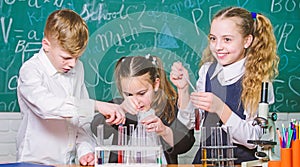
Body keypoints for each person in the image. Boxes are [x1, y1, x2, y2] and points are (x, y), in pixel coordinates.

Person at [170, 6, 279, 164]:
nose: (218, 46)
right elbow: (190, 123)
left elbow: (253, 138)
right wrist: (183, 90)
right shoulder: (207, 71)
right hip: (206, 160)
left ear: (247, 41)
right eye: (213, 38)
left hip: (240, 163)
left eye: (227, 39)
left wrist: (221, 108)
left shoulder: (259, 82)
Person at [16, 9, 125, 165]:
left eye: (77, 57)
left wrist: (85, 150)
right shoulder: (31, 70)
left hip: (66, 162)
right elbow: (46, 107)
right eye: (66, 57)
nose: (72, 64)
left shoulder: (77, 68)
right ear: (46, 45)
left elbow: (81, 120)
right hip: (34, 161)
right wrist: (96, 105)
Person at [91, 55, 195, 164]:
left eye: (141, 93)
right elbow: (95, 127)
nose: (136, 100)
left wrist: (164, 131)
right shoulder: (118, 106)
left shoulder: (168, 109)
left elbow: (186, 144)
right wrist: (119, 110)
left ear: (155, 84)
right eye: (128, 94)